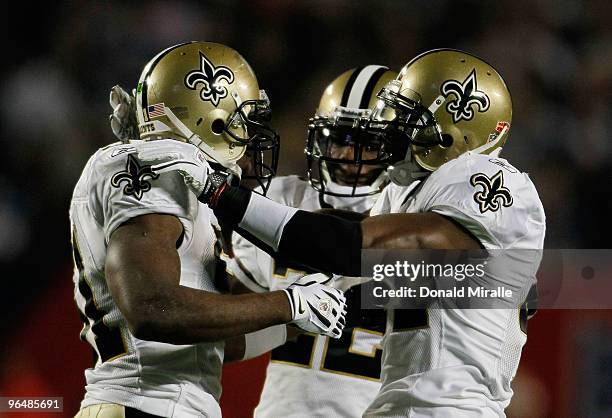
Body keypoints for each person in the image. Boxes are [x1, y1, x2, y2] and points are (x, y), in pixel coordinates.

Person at [141, 49, 546, 417]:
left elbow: (351, 247)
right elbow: (336, 288)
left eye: (406, 117)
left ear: (453, 129)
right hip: (397, 405)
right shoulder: (401, 199)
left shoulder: (489, 180)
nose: (390, 129)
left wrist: (222, 194)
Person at [70, 41, 347, 418]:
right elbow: (152, 308)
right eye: (241, 124)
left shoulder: (186, 184)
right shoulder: (158, 166)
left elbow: (219, 343)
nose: (250, 141)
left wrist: (295, 321)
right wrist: (288, 302)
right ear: (209, 118)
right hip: (144, 405)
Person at [227, 66, 396, 417]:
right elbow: (227, 334)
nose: (349, 156)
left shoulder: (419, 221)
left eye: (368, 143)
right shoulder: (280, 199)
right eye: (341, 139)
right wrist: (289, 313)